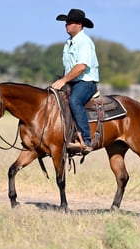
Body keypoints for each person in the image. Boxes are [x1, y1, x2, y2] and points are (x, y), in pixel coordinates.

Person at [52, 9, 99, 154]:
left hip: (85, 82)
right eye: (66, 22)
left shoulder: (84, 42)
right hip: (71, 81)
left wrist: (63, 81)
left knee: (74, 102)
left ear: (79, 25)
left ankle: (86, 140)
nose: (66, 25)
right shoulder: (69, 42)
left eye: (70, 22)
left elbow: (81, 67)